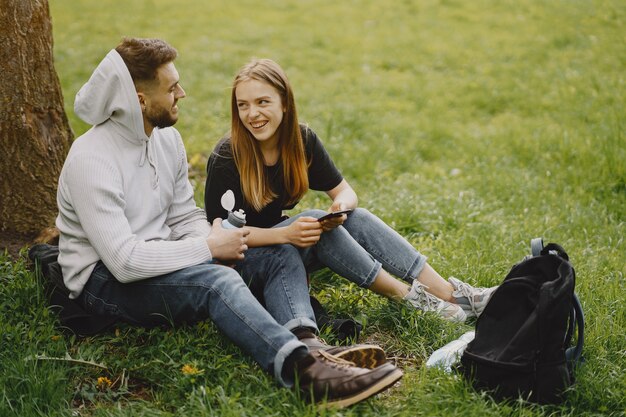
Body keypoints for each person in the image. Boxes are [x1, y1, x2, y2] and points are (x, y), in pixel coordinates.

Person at [55, 38, 403, 409]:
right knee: (216, 282)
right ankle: (304, 373)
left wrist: (213, 242)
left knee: (277, 250)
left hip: (165, 255)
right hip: (105, 281)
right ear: (140, 100)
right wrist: (207, 250)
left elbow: (184, 216)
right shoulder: (92, 159)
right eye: (172, 88)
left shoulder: (166, 140)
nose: (182, 93)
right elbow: (123, 263)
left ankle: (311, 345)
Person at [205, 58, 496, 323]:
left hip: (286, 246)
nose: (252, 113)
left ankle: (450, 294)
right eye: (243, 105)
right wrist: (285, 234)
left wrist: (340, 209)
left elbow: (345, 192)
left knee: (355, 217)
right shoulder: (227, 156)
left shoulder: (300, 140)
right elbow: (221, 238)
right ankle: (410, 298)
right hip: (245, 263)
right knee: (315, 219)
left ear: (284, 103)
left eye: (262, 102)